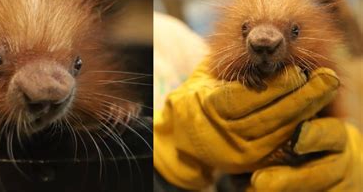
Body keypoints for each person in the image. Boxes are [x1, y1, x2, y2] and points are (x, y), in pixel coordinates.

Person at [153, 12, 363, 191]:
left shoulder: (173, 40)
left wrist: (353, 155)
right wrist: (164, 165)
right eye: (246, 29)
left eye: (294, 32)